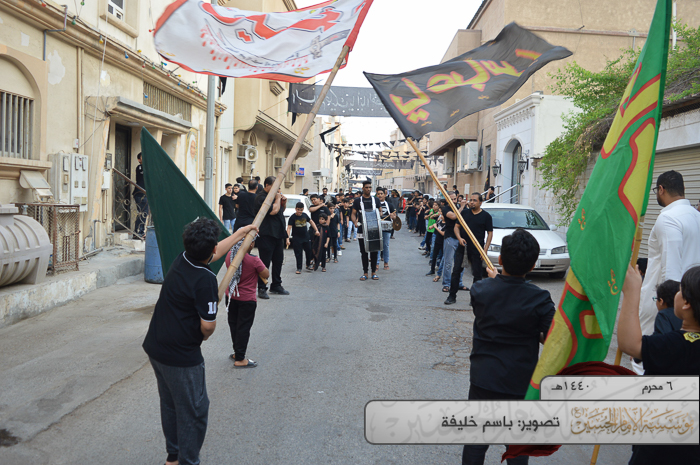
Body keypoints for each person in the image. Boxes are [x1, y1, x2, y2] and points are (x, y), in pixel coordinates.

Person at [143, 219, 258, 465]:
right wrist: (204, 335)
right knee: (194, 410)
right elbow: (208, 326)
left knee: (171, 404)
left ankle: (173, 457)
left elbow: (213, 252)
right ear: (211, 249)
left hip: (156, 346)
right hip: (181, 356)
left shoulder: (183, 258)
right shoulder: (205, 279)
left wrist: (240, 234)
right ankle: (188, 461)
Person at [462, 228, 555, 465]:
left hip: (484, 377)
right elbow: (551, 339)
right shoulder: (540, 299)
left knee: (476, 441)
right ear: (532, 265)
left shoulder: (480, 290)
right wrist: (533, 331)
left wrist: (497, 281)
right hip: (519, 380)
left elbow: (499, 302)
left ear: (501, 259)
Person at [618, 265, 700, 464]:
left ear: (687, 303)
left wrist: (632, 292)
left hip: (662, 450)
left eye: (680, 290)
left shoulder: (682, 345)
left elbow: (630, 344)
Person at [634, 171, 700, 373]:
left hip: (665, 303)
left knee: (645, 360)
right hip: (690, 303)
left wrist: (666, 310)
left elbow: (670, 271)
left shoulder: (668, 218)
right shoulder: (696, 216)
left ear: (661, 189)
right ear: (683, 189)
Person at [224, 237, 269, 368]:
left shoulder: (230, 255)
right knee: (243, 328)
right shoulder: (254, 260)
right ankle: (240, 358)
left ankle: (237, 352)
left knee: (234, 325)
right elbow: (266, 274)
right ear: (250, 244)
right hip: (246, 300)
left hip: (231, 297)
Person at [445, 193, 493, 305]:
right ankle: (452, 296)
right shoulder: (464, 213)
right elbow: (456, 227)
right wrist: (459, 238)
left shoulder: (486, 216)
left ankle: (474, 299)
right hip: (463, 247)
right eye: (471, 200)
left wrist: (485, 250)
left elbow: (490, 233)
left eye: (474, 200)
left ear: (480, 202)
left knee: (477, 274)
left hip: (477, 249)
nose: (471, 202)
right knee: (456, 271)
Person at [254, 177, 289, 299]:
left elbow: (280, 210)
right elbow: (273, 211)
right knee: (265, 262)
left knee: (278, 260)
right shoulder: (261, 198)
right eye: (275, 187)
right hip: (267, 234)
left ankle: (276, 285)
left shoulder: (274, 196)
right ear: (267, 185)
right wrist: (278, 199)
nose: (278, 190)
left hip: (278, 234)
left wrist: (283, 202)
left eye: (278, 187)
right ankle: (262, 287)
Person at [352, 180, 381, 281]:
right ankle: (365, 273)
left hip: (374, 229)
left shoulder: (376, 200)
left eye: (370, 187)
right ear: (363, 188)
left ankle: (374, 272)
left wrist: (379, 216)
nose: (368, 189)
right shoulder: (357, 201)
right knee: (364, 252)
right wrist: (355, 222)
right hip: (361, 229)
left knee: (374, 251)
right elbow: (353, 214)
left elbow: (380, 212)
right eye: (366, 187)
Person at [441, 191, 466, 292]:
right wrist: (462, 207)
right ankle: (446, 284)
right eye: (451, 199)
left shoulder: (460, 207)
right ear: (447, 200)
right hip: (450, 237)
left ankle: (459, 283)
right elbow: (454, 216)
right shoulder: (445, 209)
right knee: (448, 263)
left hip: (461, 238)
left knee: (461, 263)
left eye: (455, 199)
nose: (453, 201)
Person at [286, 202, 318, 273]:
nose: (299, 211)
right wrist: (287, 239)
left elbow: (311, 222)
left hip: (306, 237)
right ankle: (299, 268)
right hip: (297, 238)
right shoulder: (292, 217)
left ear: (303, 209)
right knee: (298, 253)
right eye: (298, 210)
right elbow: (289, 228)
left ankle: (308, 264)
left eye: (301, 210)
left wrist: (316, 230)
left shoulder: (305, 215)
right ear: (295, 209)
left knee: (309, 251)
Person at [375, 187, 396, 270]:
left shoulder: (390, 205)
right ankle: (376, 263)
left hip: (387, 228)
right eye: (378, 194)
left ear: (385, 195)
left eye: (381, 194)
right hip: (376, 227)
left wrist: (393, 216)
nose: (380, 195)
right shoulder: (374, 205)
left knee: (386, 245)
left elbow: (395, 217)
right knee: (377, 246)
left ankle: (386, 262)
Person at [133, 152, 148, 239]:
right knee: (143, 213)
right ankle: (139, 232)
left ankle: (139, 232)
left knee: (143, 213)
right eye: (143, 157)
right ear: (139, 160)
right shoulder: (140, 167)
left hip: (144, 194)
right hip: (140, 194)